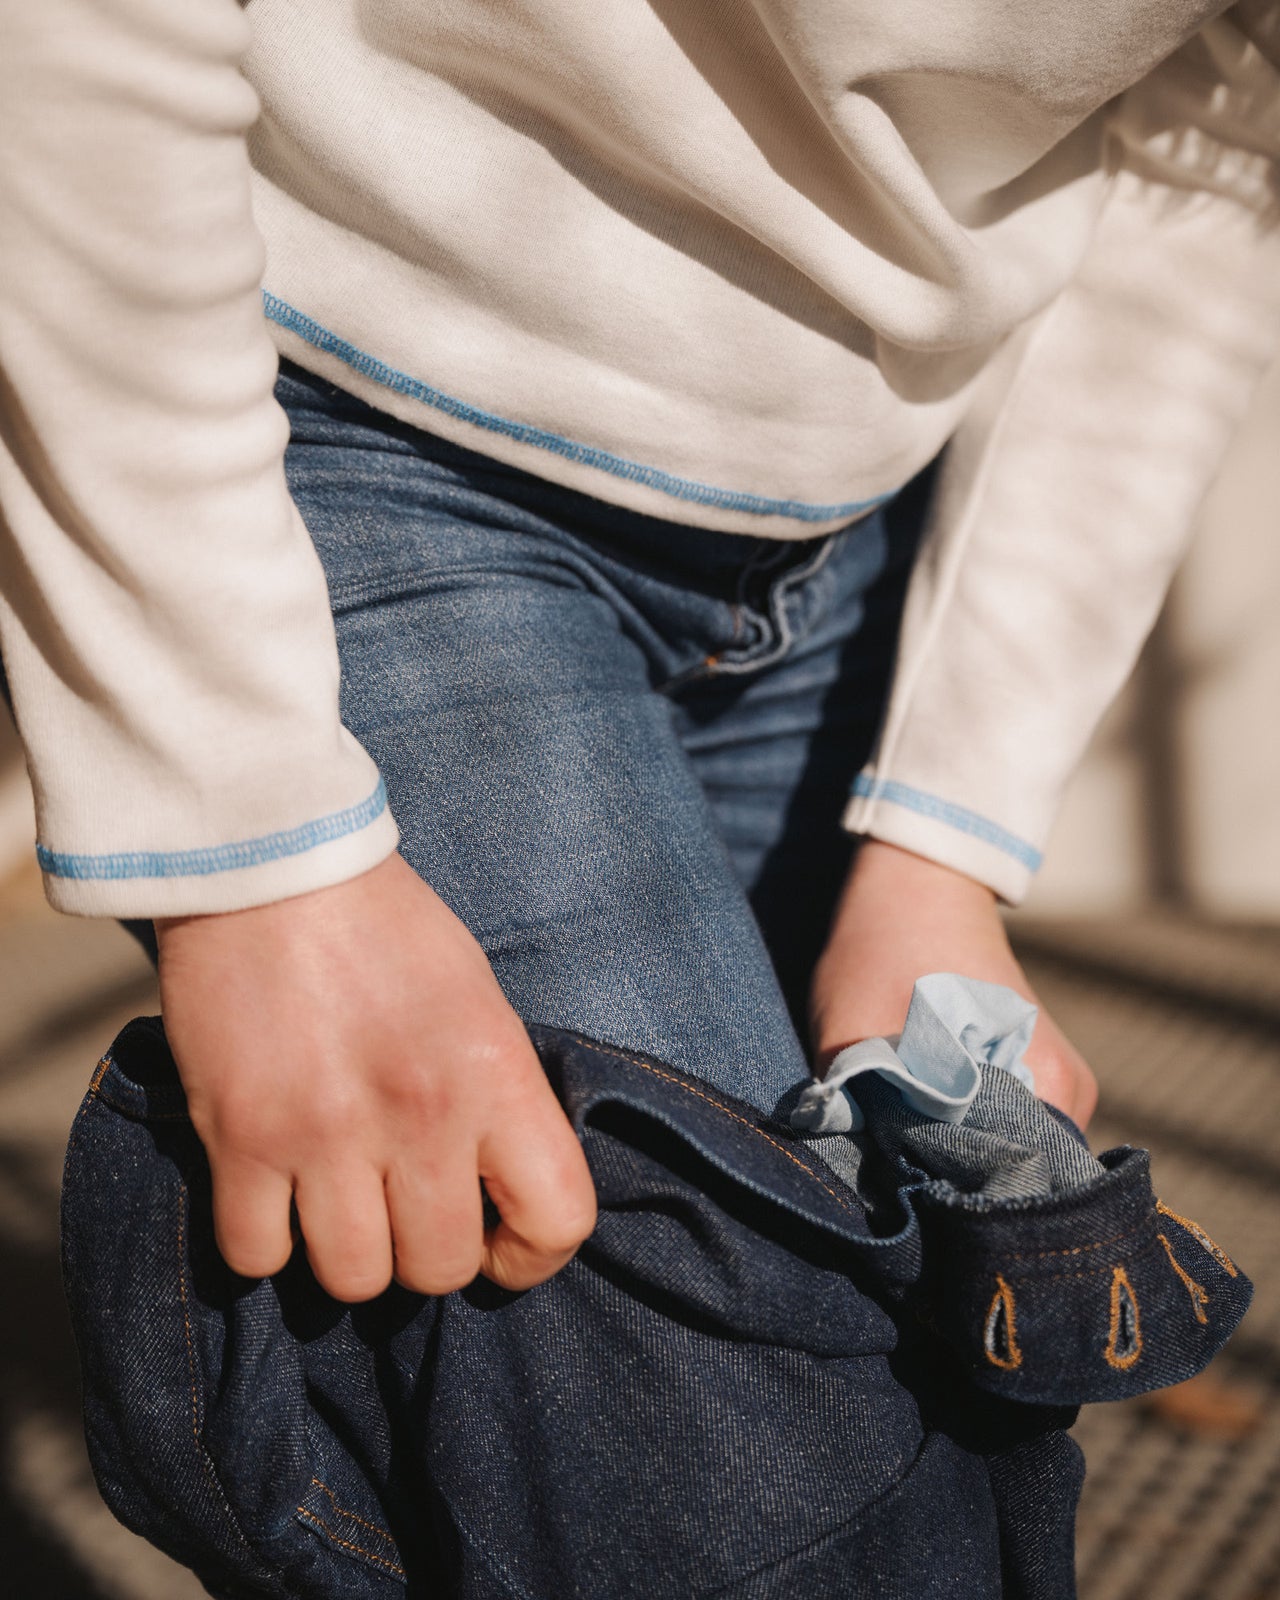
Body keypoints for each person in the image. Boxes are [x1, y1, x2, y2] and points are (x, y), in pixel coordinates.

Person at [1, 0, 1278, 1589]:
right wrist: (250, 842)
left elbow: (1213, 151)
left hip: (866, 506)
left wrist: (940, 841)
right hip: (352, 405)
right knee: (729, 1460)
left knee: (936, 1411)